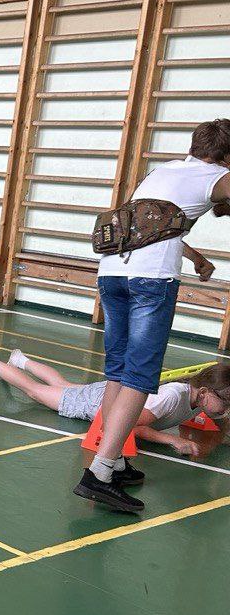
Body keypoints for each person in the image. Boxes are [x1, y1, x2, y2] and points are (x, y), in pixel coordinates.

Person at [78, 119, 230, 513]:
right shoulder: (214, 176)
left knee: (118, 371)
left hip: (112, 273)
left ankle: (115, 460)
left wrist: (196, 258)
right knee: (140, 376)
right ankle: (100, 473)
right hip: (151, 281)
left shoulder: (162, 173)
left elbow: (152, 227)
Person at [0, 348, 229, 458]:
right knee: (34, 391)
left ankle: (20, 360)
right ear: (205, 392)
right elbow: (130, 425)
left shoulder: (194, 398)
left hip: (110, 394)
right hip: (100, 404)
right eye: (226, 401)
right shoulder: (172, 397)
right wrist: (172, 440)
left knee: (63, 385)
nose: (227, 408)